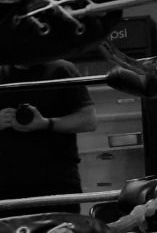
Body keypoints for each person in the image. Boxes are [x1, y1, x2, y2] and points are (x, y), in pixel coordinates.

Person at [0, 59, 97, 217]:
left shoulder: (62, 70)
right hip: (7, 184)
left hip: (56, 181)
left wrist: (46, 123)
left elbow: (89, 120)